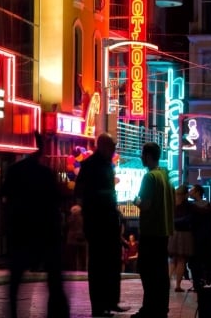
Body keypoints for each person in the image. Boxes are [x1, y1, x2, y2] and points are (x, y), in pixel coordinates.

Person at [0, 131, 70, 318]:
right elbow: (56, 201)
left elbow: (4, 197)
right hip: (45, 233)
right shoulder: (45, 173)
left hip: (21, 231)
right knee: (54, 282)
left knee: (15, 282)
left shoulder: (14, 171)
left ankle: (13, 314)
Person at [73, 133, 129, 317]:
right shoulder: (90, 165)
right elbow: (81, 192)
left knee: (112, 263)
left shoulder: (107, 165)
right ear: (103, 146)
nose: (114, 149)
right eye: (112, 146)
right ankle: (99, 307)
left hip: (109, 221)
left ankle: (111, 301)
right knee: (98, 267)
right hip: (97, 223)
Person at [132, 141, 174, 318]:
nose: (141, 157)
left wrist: (136, 202)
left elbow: (146, 205)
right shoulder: (166, 177)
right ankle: (161, 308)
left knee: (147, 271)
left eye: (143, 154)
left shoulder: (149, 177)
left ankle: (149, 309)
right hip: (164, 231)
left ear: (148, 156)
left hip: (150, 231)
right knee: (161, 273)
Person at [188, 184, 211, 292]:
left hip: (196, 239)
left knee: (195, 263)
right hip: (207, 239)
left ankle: (197, 283)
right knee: (207, 261)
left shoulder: (193, 208)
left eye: (192, 190)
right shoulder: (209, 206)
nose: (190, 192)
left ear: (197, 192)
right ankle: (208, 281)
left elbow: (190, 221)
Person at [168, 184, 194, 293]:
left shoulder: (171, 204)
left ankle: (167, 281)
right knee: (181, 260)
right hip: (184, 234)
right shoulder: (188, 206)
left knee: (173, 259)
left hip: (173, 233)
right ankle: (178, 285)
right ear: (185, 194)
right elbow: (190, 219)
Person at [65, 205, 87, 271]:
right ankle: (83, 269)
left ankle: (73, 269)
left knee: (72, 257)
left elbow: (66, 226)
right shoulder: (83, 218)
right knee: (82, 256)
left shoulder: (70, 218)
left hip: (72, 239)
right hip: (81, 239)